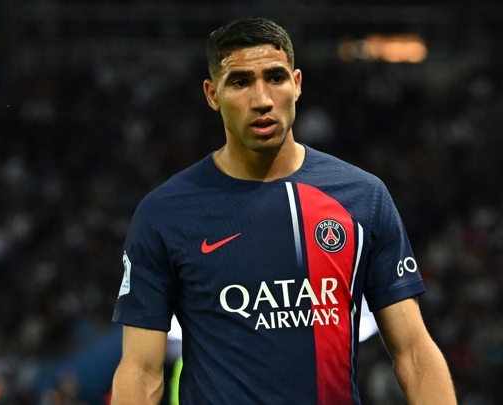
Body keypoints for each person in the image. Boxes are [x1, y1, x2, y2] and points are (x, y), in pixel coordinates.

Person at [110, 17, 456, 405]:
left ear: (297, 83)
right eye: (240, 82)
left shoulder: (362, 198)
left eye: (275, 78)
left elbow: (414, 353)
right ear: (212, 94)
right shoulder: (165, 214)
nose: (262, 99)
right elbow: (141, 372)